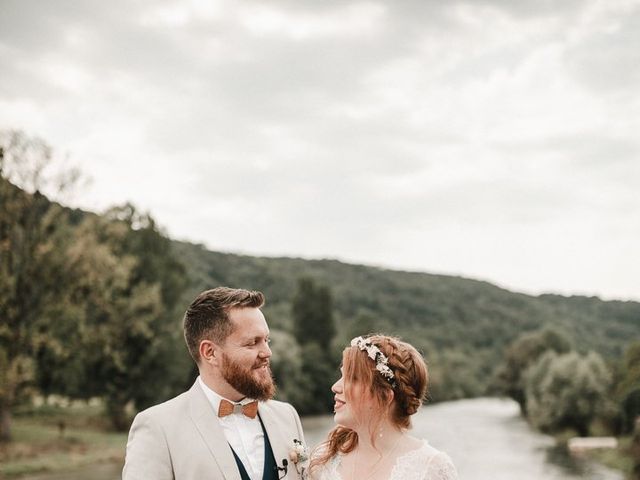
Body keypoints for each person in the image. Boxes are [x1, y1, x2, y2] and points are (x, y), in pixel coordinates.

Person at [123, 287, 306, 480]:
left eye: (267, 340)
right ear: (210, 352)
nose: (267, 352)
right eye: (252, 343)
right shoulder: (157, 427)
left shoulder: (287, 416)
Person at [310, 334, 458, 480]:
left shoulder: (431, 469)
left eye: (352, 379)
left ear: (386, 396)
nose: (335, 387)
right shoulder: (323, 462)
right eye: (342, 376)